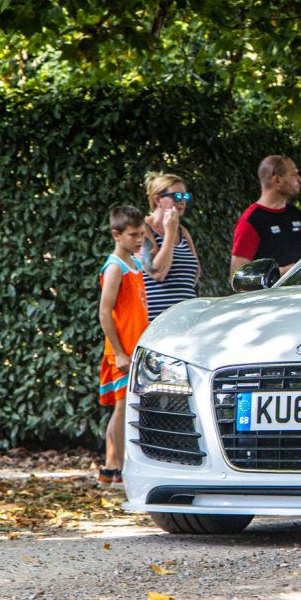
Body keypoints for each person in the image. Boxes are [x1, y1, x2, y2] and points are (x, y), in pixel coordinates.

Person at [98, 206, 149, 486]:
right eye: (133, 235)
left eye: (141, 234)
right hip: (122, 351)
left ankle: (120, 465)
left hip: (135, 348)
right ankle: (111, 466)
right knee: (121, 407)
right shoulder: (115, 267)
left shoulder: (135, 264)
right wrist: (118, 352)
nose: (139, 239)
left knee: (129, 406)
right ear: (116, 234)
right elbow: (105, 312)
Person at [230, 155, 301, 278]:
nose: (300, 179)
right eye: (294, 175)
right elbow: (238, 275)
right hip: (270, 296)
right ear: (277, 180)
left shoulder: (296, 214)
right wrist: (283, 272)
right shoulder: (252, 220)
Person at [140, 172, 199, 320]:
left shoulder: (183, 231)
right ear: (158, 199)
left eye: (185, 197)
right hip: (158, 322)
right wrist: (170, 232)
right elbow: (157, 273)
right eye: (176, 196)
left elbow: (195, 271)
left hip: (187, 319)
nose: (182, 202)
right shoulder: (142, 228)